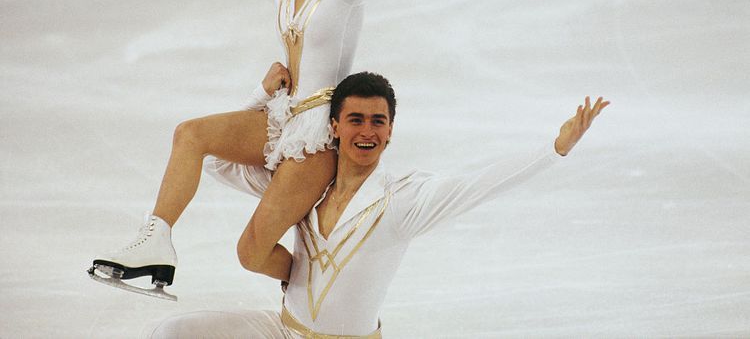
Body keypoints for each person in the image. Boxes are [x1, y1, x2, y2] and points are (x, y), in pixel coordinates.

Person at [89, 0, 494, 292]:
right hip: (281, 118)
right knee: (190, 134)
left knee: (251, 253)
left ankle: (320, 285)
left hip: (317, 136)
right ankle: (156, 242)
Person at [149, 69, 609, 337]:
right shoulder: (306, 182)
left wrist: (556, 148)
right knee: (169, 333)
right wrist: (261, 98)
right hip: (283, 332)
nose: (366, 131)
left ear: (390, 130)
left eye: (377, 121)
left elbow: (478, 185)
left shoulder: (401, 200)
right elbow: (214, 159)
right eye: (355, 120)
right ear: (333, 127)